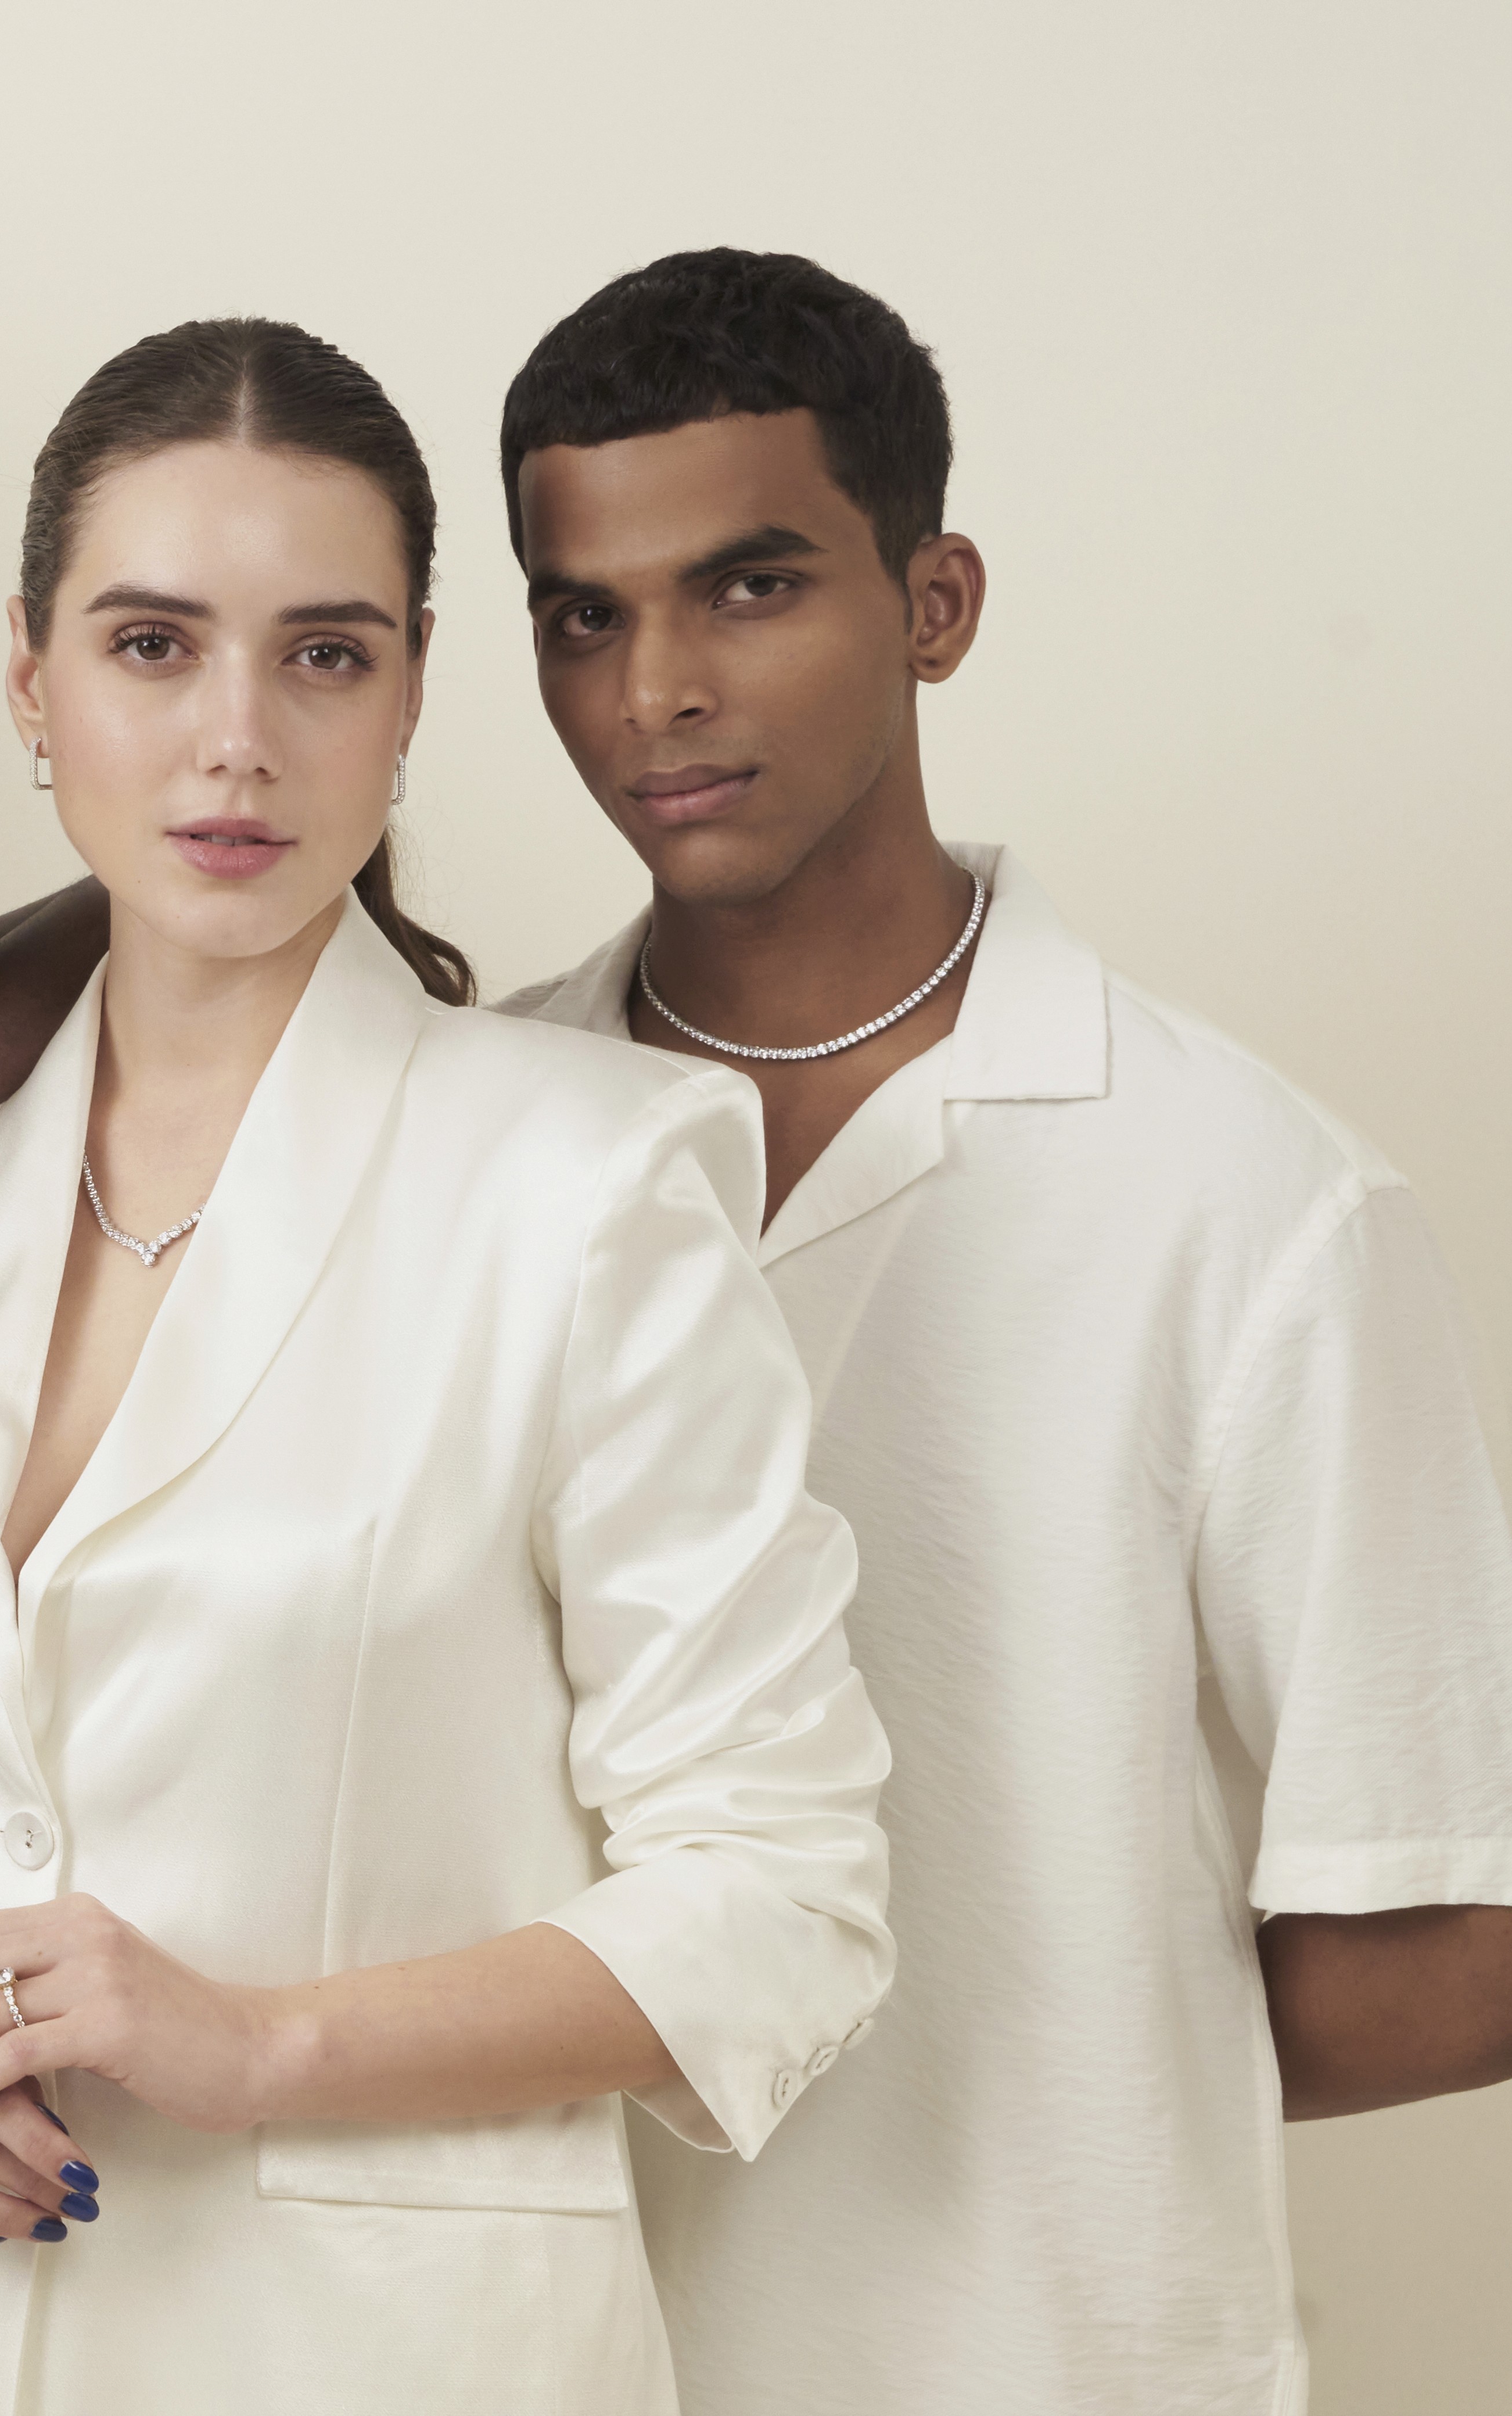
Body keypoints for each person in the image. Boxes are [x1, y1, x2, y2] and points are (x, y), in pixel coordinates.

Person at [0, 320, 893, 2414]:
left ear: (409, 694)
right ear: (29, 678)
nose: (234, 741)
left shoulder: (588, 1186)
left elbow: (785, 1888)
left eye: (320, 655)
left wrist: (253, 2042)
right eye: (151, 646)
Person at [487, 249, 1512, 2414]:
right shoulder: (455, 1143)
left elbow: (1443, 1956)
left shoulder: (1252, 1203)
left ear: (933, 602)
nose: (655, 687)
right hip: (526, 2361)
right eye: (582, 615)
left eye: (749, 587)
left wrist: (1023, 2036)